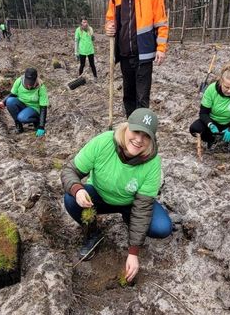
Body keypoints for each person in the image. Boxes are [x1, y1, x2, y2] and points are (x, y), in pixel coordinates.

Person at [61, 108, 172, 282]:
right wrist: (78, 189)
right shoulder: (103, 142)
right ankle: (93, 234)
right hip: (98, 197)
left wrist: (133, 252)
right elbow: (70, 170)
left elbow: (142, 207)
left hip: (131, 203)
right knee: (70, 198)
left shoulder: (152, 162)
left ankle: (130, 221)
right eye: (136, 132)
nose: (139, 140)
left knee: (162, 227)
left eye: (146, 136)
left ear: (152, 139)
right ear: (126, 127)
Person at [105, 0, 169, 118]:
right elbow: (110, 20)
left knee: (142, 97)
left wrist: (161, 48)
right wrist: (109, 28)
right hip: (125, 54)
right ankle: (130, 130)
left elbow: (162, 23)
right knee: (128, 96)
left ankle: (141, 132)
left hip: (145, 54)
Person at [189, 63, 230, 153]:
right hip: (214, 121)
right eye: (226, 87)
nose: (229, 90)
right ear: (221, 81)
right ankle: (212, 139)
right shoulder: (211, 89)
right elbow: (203, 113)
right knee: (195, 128)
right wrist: (210, 124)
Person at [0, 68, 48, 136]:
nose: (29, 85)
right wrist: (2, 102)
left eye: (31, 83)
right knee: (10, 101)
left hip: (34, 108)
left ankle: (36, 120)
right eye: (27, 82)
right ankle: (19, 125)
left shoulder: (41, 87)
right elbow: (12, 95)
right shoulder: (19, 81)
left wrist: (41, 126)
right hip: (22, 104)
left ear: (35, 80)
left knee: (22, 118)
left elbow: (43, 108)